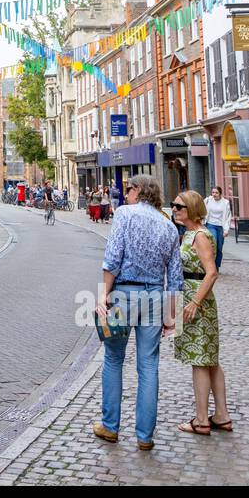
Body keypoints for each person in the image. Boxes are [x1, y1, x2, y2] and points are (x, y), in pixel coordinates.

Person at [94, 175, 183, 451]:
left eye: (129, 189)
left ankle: (110, 426)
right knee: (148, 365)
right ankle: (145, 436)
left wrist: (102, 296)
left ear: (140, 191)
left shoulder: (124, 214)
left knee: (113, 358)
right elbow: (176, 277)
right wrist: (172, 316)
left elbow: (113, 257)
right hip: (155, 296)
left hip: (123, 294)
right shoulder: (168, 225)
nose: (126, 194)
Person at [171, 189, 233, 436]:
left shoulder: (200, 236)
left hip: (196, 298)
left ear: (192, 210)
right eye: (174, 206)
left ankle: (201, 420)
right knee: (209, 360)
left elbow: (212, 272)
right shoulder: (189, 234)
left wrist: (195, 302)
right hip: (190, 295)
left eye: (179, 206)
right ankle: (221, 415)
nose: (174, 210)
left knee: (200, 361)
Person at [203, 186, 232, 271]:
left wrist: (226, 230)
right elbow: (201, 209)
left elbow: (227, 217)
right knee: (213, 243)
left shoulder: (225, 202)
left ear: (220, 194)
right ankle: (210, 265)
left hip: (220, 226)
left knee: (219, 247)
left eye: (216, 193)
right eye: (213, 192)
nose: (214, 194)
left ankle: (216, 265)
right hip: (210, 224)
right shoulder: (208, 200)